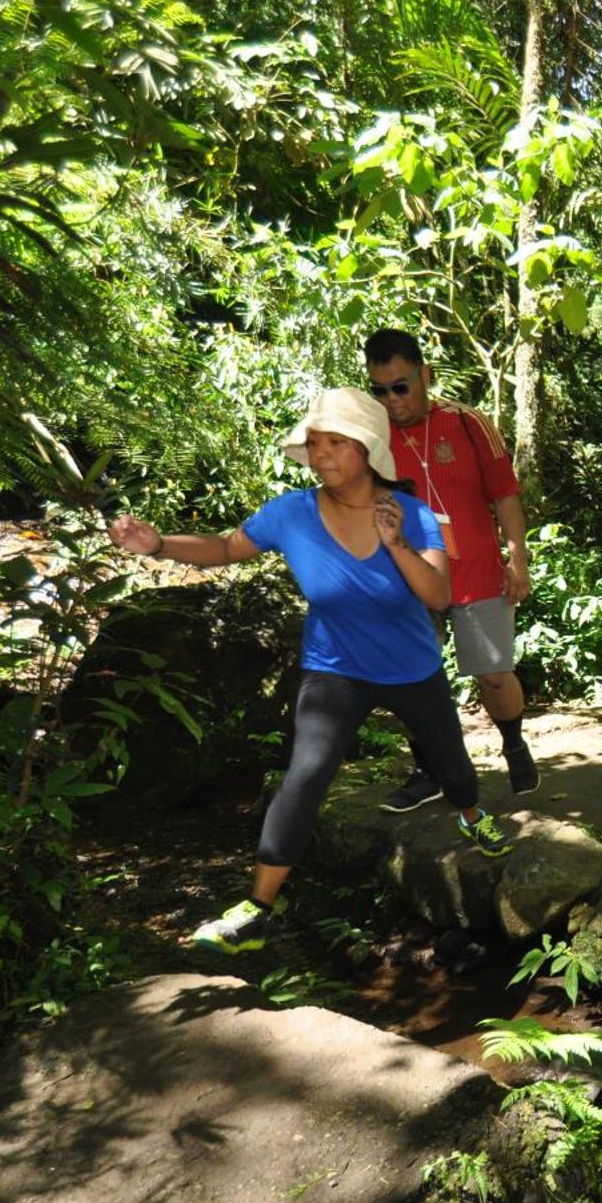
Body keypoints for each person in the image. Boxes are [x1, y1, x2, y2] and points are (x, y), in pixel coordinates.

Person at [107, 387, 507, 956]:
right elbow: (224, 548)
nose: (320, 454)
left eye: (335, 443)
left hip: (411, 667)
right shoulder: (291, 514)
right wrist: (158, 544)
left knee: (453, 768)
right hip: (334, 669)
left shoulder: (411, 514)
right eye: (313, 443)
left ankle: (472, 815)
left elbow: (438, 595)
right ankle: (258, 908)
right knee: (306, 774)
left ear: (367, 450)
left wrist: (395, 544)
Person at [363, 329, 540, 808]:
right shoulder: (370, 436)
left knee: (494, 676)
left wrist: (517, 559)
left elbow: (505, 495)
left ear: (425, 375)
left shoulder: (467, 424)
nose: (391, 400)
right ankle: (429, 770)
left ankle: (514, 742)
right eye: (379, 390)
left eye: (400, 386)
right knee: (412, 676)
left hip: (477, 570)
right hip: (409, 577)